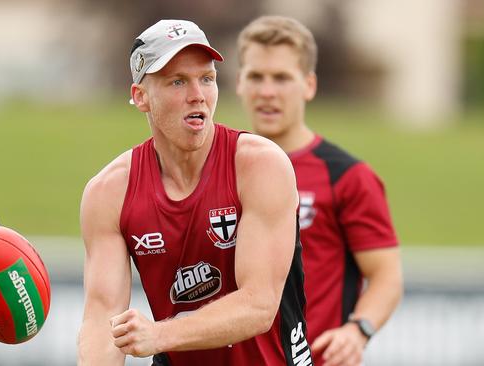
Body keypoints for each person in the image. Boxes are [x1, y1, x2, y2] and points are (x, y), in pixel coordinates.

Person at [77, 19, 314, 366]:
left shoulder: (260, 166)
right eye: (177, 82)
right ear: (140, 97)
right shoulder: (108, 192)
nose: (197, 95)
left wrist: (159, 334)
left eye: (207, 78)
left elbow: (258, 305)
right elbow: (102, 319)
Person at [236, 15, 403, 366]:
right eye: (256, 77)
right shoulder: (220, 168)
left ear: (309, 85)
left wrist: (357, 330)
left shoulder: (346, 175)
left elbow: (386, 275)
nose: (267, 91)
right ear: (239, 83)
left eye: (282, 78)